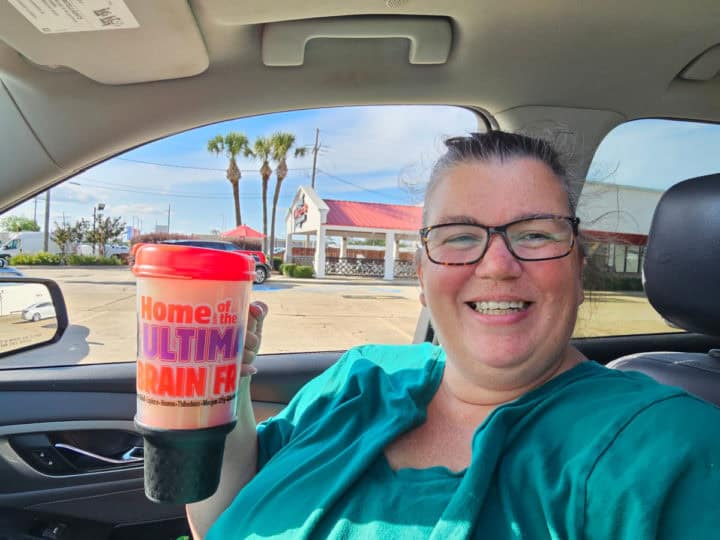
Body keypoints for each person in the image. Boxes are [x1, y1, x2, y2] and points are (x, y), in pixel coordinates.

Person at [188, 131, 720, 539]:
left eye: (534, 234)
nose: (497, 265)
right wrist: (222, 384)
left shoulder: (674, 449)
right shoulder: (357, 378)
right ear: (422, 277)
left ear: (579, 270)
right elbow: (220, 516)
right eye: (460, 236)